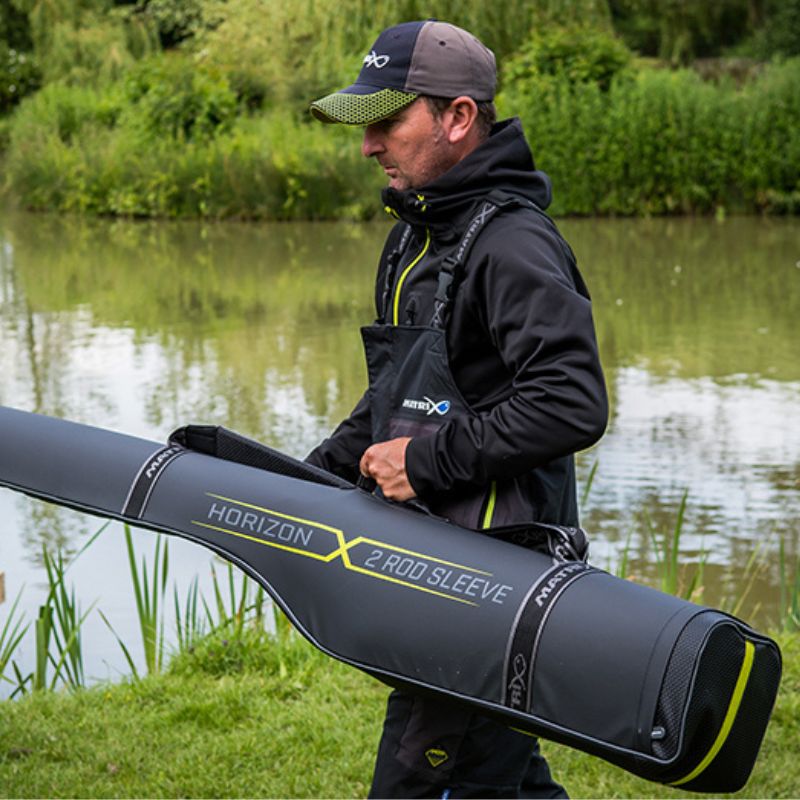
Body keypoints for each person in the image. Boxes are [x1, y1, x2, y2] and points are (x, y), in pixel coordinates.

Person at [307, 19, 608, 799]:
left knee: (418, 777)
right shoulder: (415, 240)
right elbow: (400, 397)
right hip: (438, 566)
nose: (368, 145)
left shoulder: (512, 245)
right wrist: (301, 478)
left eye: (386, 121)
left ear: (459, 117)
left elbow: (571, 401)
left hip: (494, 581)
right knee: (499, 779)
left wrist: (427, 461)